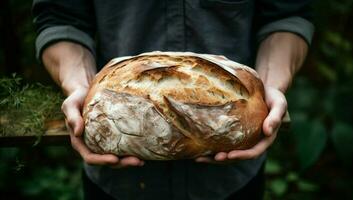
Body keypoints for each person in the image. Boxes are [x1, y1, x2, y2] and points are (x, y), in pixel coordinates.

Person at [32, 0, 314, 199]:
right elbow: (60, 18)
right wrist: (80, 86)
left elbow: (286, 15)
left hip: (233, 182)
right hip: (117, 183)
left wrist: (271, 85)